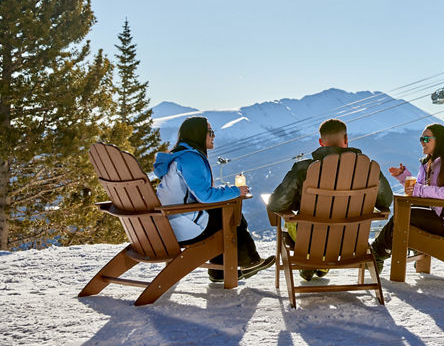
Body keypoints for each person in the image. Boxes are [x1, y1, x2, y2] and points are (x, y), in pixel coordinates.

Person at [267, 118, 393, 281]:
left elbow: (276, 203)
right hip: (351, 242)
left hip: (310, 242)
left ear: (320, 142)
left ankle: (315, 262)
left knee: (290, 220)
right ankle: (319, 264)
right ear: (346, 140)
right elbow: (386, 201)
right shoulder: (368, 169)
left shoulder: (304, 169)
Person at [153, 116, 274, 282]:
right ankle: (248, 261)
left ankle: (220, 272)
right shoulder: (191, 159)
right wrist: (235, 191)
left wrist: (230, 192)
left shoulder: (179, 156)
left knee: (221, 211)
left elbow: (199, 193)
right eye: (210, 132)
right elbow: (205, 196)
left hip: (168, 223)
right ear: (199, 134)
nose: (213, 136)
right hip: (182, 227)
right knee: (231, 213)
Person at [370, 123, 444, 274]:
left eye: (426, 139)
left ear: (440, 140)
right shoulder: (430, 162)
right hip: (439, 215)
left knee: (403, 217)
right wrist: (403, 175)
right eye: (421, 139)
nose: (422, 142)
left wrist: (421, 190)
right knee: (403, 214)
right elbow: (418, 187)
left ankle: (377, 253)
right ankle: (381, 252)